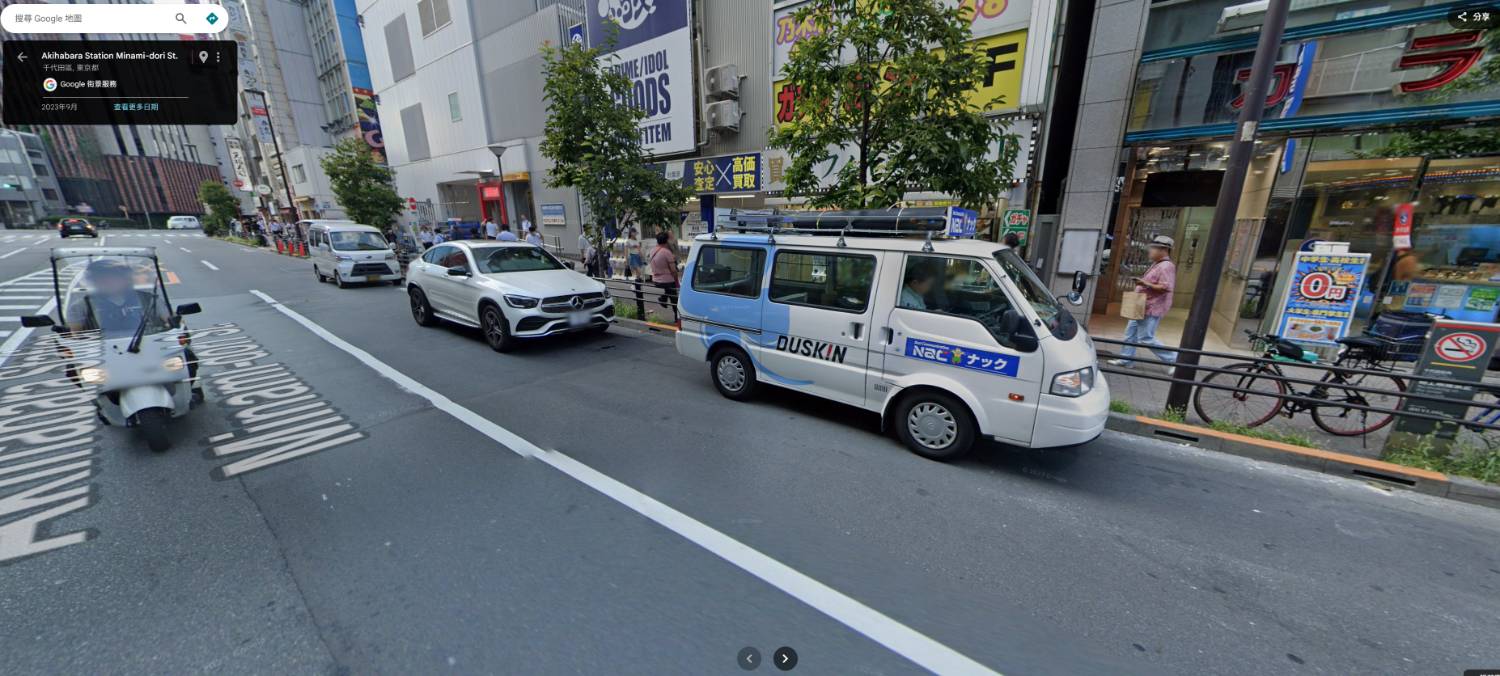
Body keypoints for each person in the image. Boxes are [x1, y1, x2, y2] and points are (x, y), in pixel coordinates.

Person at [1110, 235, 1178, 367]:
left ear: (1163, 249)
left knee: (1146, 338)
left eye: (1153, 248)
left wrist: (1144, 283)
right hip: (1142, 306)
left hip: (1152, 308)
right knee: (1130, 334)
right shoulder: (1157, 264)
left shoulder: (1166, 266)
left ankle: (1174, 360)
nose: (1149, 251)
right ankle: (1126, 360)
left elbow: (1165, 287)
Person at [649, 230, 680, 322]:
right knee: (675, 299)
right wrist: (676, 280)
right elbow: (673, 271)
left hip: (655, 279)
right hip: (667, 280)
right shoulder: (667, 252)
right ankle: (676, 317)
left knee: (670, 292)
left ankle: (663, 298)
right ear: (666, 241)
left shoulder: (652, 250)